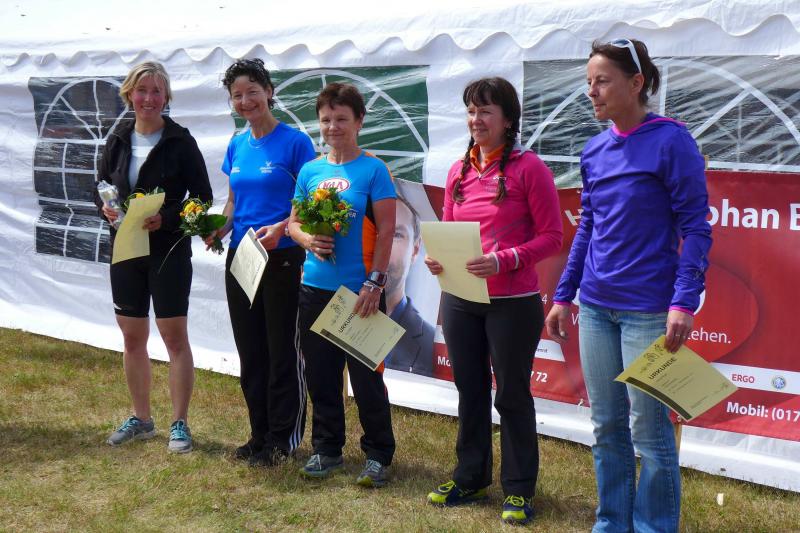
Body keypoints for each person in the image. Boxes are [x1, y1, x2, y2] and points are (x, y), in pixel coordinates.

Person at [545, 39, 712, 533]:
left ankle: (653, 526)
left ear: (637, 83)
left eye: (602, 81)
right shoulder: (594, 150)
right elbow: (588, 228)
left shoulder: (671, 141)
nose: (591, 92)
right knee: (607, 426)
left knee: (651, 432)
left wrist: (683, 301)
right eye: (588, 82)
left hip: (648, 312)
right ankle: (612, 523)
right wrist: (564, 295)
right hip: (597, 309)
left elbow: (696, 228)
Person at [424, 77, 563, 525]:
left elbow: (553, 237)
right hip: (462, 298)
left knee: (512, 395)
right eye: (470, 111)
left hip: (512, 301)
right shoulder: (458, 170)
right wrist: (439, 258)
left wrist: (505, 259)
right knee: (469, 390)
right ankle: (470, 478)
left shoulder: (530, 167)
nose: (476, 119)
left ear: (508, 120)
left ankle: (519, 489)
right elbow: (449, 230)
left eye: (485, 111)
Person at [94, 61, 212, 453]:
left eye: (157, 91)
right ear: (129, 94)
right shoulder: (118, 138)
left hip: (168, 251)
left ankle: (180, 423)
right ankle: (142, 419)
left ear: (166, 97)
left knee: (174, 337)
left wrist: (169, 218)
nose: (149, 98)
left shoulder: (181, 141)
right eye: (142, 90)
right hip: (126, 251)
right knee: (132, 337)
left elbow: (202, 198)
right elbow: (101, 186)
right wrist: (105, 208)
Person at [207, 58, 316, 466]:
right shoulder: (237, 144)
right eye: (237, 95)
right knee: (250, 349)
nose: (245, 101)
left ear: (269, 92)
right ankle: (259, 435)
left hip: (283, 255)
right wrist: (218, 228)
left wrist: (283, 228)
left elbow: (308, 205)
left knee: (281, 349)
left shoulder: (295, 143)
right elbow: (234, 201)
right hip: (243, 255)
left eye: (252, 91)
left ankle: (282, 440)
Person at [288, 82, 396, 488]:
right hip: (314, 289)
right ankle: (327, 448)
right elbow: (294, 223)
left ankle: (378, 454)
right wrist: (306, 240)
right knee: (321, 376)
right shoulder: (310, 170)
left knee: (367, 380)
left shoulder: (374, 170)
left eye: (342, 119)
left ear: (359, 121)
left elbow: (387, 231)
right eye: (326, 119)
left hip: (359, 292)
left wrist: (374, 283)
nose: (333, 127)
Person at [383, 195, 435, 377]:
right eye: (372, 232)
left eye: (396, 235)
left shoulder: (434, 349)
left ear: (415, 250)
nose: (381, 247)